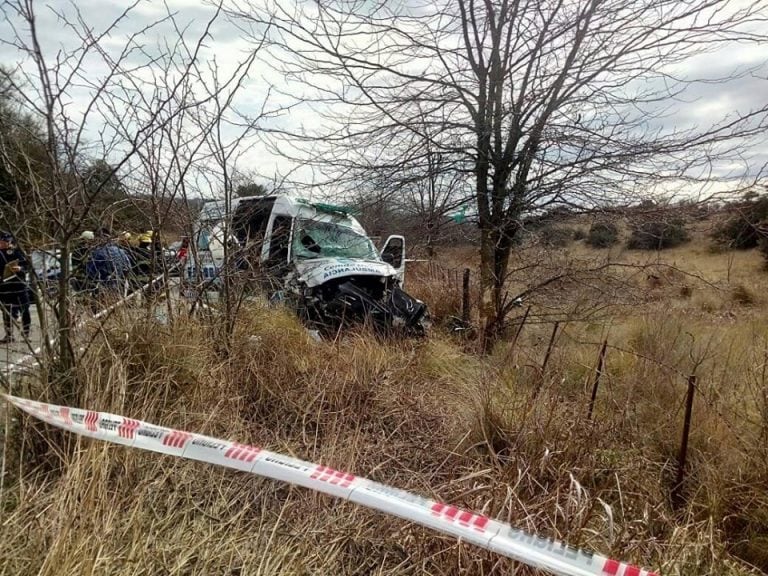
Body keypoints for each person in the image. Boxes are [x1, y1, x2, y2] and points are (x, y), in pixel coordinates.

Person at [85, 228, 131, 307]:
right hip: (119, 289)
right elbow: (128, 268)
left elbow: (90, 272)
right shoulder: (121, 251)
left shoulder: (98, 253)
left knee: (101, 314)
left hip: (103, 290)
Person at [0, 232, 32, 344]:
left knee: (25, 310)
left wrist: (20, 268)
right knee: (6, 312)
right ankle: (9, 335)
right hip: (4, 288)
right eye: (2, 241)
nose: (3, 243)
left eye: (5, 241)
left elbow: (27, 265)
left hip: (19, 286)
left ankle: (26, 334)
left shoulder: (17, 252)